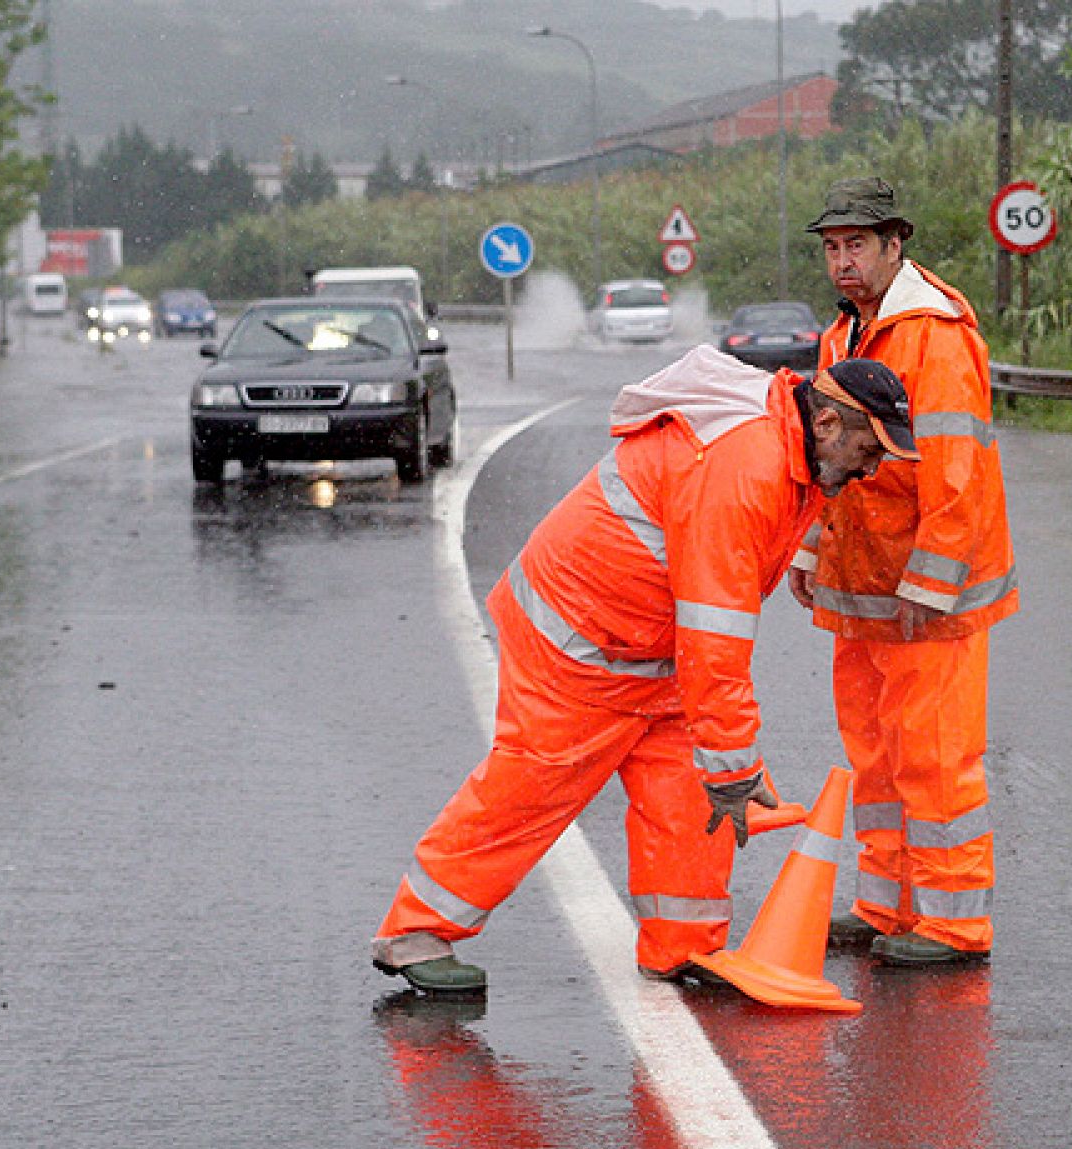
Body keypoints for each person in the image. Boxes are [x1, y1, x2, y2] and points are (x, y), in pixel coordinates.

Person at [373, 344, 918, 994]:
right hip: (579, 641)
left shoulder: (790, 446)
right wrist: (738, 768)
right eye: (871, 447)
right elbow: (715, 636)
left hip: (649, 647)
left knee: (691, 796)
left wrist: (725, 767)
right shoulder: (745, 466)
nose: (874, 465)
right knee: (532, 789)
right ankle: (416, 932)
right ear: (828, 424)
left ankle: (682, 946)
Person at [789, 176, 1019, 967]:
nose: (843, 261)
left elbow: (957, 473)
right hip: (864, 585)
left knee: (935, 755)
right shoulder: (840, 339)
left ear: (896, 246)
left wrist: (931, 583)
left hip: (926, 594)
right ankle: (887, 904)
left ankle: (954, 922)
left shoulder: (934, 335)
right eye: (831, 249)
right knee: (877, 755)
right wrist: (811, 549)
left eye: (856, 245)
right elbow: (833, 462)